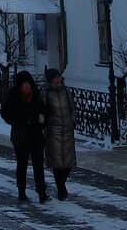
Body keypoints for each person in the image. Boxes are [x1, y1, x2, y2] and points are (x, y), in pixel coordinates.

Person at [0, 70, 49, 203]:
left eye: (28, 84)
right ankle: (21, 191)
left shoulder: (36, 95)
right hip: (20, 135)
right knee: (22, 164)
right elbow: (5, 112)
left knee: (38, 164)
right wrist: (17, 121)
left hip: (36, 134)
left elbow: (43, 111)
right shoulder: (13, 96)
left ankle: (42, 192)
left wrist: (42, 121)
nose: (26, 87)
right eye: (24, 85)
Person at [44, 67, 76, 200]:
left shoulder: (65, 91)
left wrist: (72, 120)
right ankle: (61, 188)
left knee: (68, 162)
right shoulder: (45, 93)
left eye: (59, 77)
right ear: (51, 80)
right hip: (53, 131)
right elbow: (44, 110)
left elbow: (71, 107)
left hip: (67, 130)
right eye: (56, 78)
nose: (58, 80)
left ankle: (61, 184)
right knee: (57, 162)